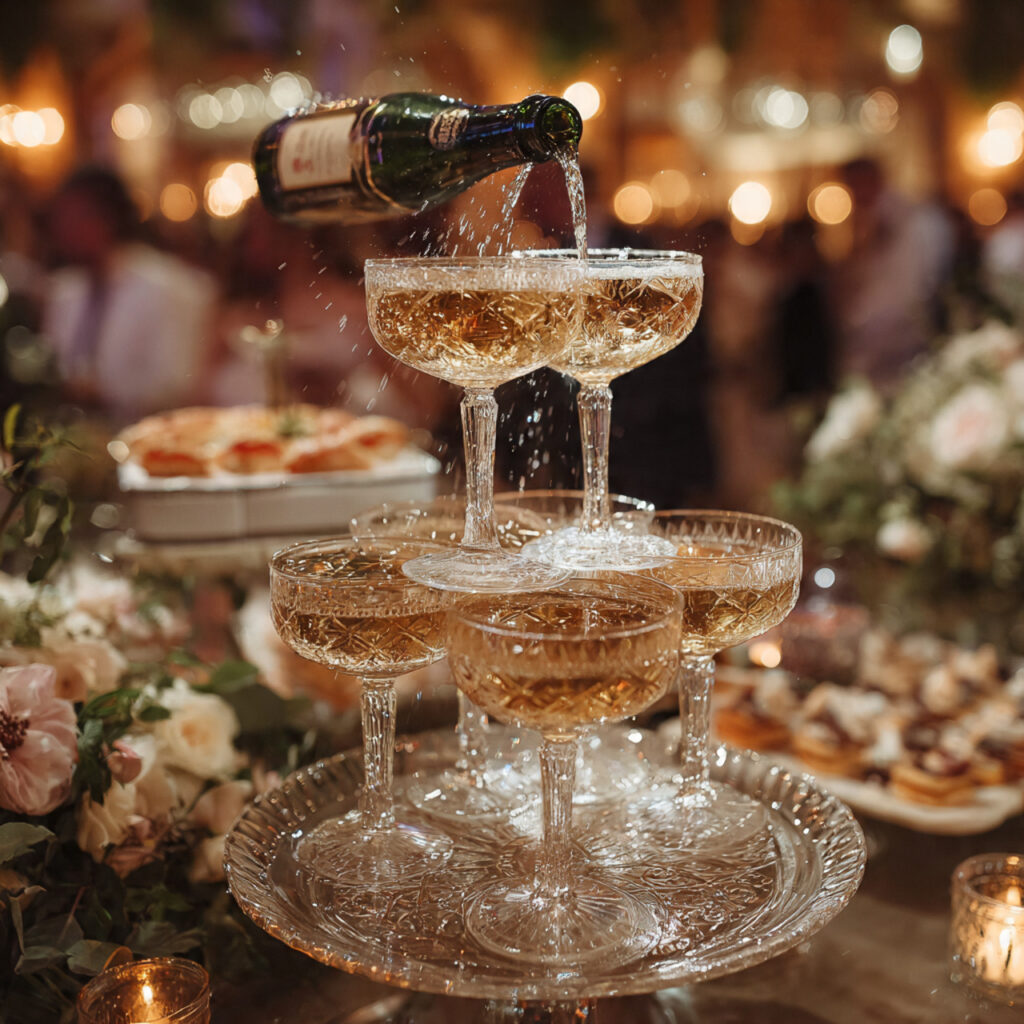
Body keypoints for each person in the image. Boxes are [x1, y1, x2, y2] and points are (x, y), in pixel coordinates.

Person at [41, 167, 215, 425]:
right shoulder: (65, 291)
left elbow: (176, 385)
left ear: (110, 217)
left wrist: (101, 390)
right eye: (62, 217)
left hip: (143, 439)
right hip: (70, 441)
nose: (66, 228)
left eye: (78, 216)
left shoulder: (167, 286)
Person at [832, 156, 954, 391]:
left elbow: (915, 289)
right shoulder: (868, 223)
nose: (854, 196)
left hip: (905, 342)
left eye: (854, 186)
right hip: (878, 343)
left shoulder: (915, 222)